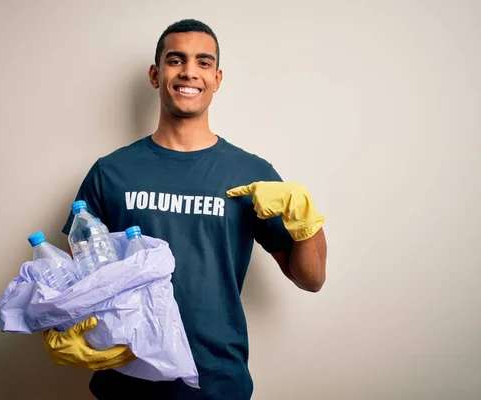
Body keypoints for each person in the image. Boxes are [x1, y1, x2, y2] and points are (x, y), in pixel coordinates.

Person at [41, 18, 327, 400]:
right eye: (176, 60)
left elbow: (310, 278)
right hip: (127, 379)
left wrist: (306, 221)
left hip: (217, 380)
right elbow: (75, 281)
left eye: (203, 62)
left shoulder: (252, 175)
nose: (189, 71)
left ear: (218, 78)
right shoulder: (111, 172)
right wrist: (57, 332)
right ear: (155, 74)